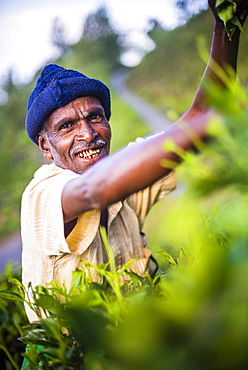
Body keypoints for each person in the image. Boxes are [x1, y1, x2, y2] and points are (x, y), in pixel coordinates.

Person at [21, 0, 248, 323]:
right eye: (67, 126)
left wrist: (225, 23)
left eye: (95, 117)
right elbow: (92, 192)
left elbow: (200, 114)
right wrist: (221, 123)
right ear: (46, 146)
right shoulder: (41, 195)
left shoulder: (124, 179)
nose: (88, 133)